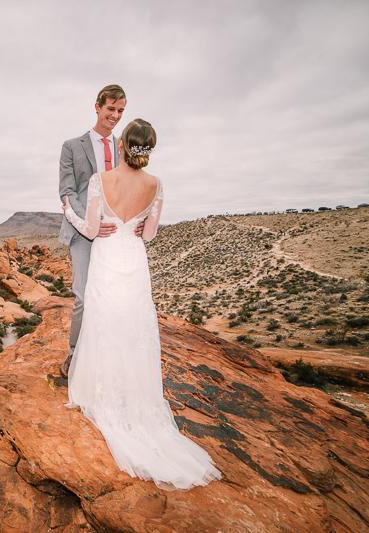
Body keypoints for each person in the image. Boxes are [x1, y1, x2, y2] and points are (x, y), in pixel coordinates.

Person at [61, 118, 223, 490]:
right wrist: (135, 227)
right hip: (133, 261)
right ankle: (136, 399)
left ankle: (100, 391)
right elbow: (148, 234)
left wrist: (68, 210)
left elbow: (89, 229)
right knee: (133, 329)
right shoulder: (156, 185)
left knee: (106, 323)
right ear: (148, 150)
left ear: (121, 147)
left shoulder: (100, 181)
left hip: (105, 258)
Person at [58, 84, 146, 377]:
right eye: (110, 109)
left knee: (112, 297)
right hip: (84, 232)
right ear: (97, 107)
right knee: (84, 296)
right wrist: (92, 225)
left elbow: (136, 185)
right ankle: (74, 354)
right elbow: (67, 192)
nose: (115, 116)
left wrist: (139, 217)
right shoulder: (72, 146)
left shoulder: (125, 146)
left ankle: (106, 360)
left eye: (120, 111)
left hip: (117, 236)